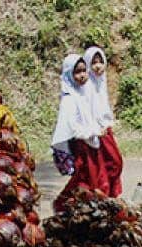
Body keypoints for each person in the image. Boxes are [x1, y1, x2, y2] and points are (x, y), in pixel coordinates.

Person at [50, 53, 105, 212]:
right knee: (85, 178)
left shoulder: (83, 93)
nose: (82, 75)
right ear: (69, 74)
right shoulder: (69, 99)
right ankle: (63, 204)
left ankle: (85, 207)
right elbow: (73, 127)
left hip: (90, 142)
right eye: (77, 72)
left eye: (84, 71)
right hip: (82, 144)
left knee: (92, 177)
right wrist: (93, 131)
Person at [83, 46, 124, 197]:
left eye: (100, 62)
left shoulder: (101, 81)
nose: (98, 66)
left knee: (114, 163)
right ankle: (104, 196)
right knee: (102, 168)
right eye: (94, 62)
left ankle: (110, 196)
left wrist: (109, 122)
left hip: (105, 129)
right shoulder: (86, 86)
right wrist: (95, 129)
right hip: (94, 132)